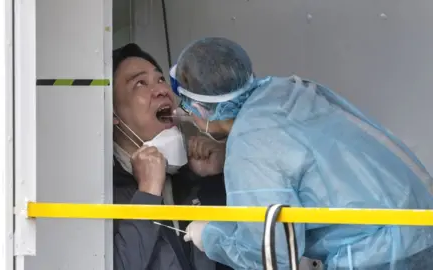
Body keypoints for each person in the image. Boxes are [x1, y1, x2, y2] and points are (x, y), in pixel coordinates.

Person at [169, 37, 433, 269]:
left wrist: (212, 236)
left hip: (379, 253)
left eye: (186, 106)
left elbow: (269, 256)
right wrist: (228, 155)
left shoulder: (250, 146)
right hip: (419, 224)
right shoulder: (284, 91)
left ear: (201, 110)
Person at [112, 43, 232, 270]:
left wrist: (215, 178)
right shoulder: (102, 189)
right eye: (140, 83)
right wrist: (147, 194)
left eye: (160, 80)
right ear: (113, 113)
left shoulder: (190, 174)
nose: (161, 90)